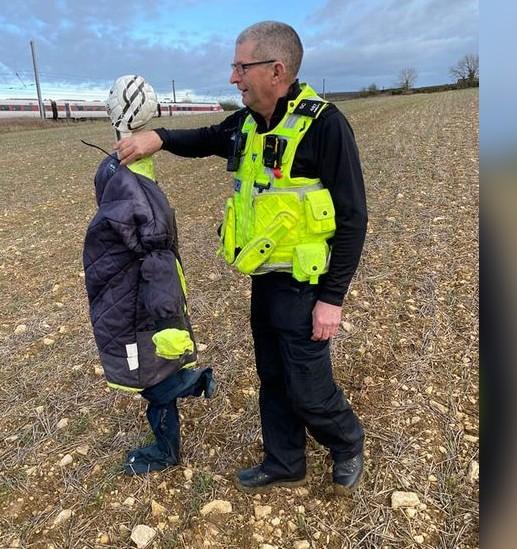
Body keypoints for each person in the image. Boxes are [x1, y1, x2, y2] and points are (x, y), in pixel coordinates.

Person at [114, 21, 367, 494]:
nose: (233, 77)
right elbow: (208, 137)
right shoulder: (248, 123)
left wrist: (332, 299)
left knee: (309, 388)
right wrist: (160, 139)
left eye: (240, 66)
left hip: (307, 285)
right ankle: (284, 461)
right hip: (265, 279)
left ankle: (348, 440)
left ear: (276, 70)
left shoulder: (325, 125)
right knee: (272, 378)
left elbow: (354, 219)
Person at [83, 75, 215, 476]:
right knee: (147, 368)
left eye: (110, 102)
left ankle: (167, 448)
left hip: (133, 296)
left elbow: (158, 261)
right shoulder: (119, 168)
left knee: (149, 379)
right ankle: (185, 383)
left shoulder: (131, 184)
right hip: (121, 287)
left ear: (114, 110)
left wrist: (170, 321)